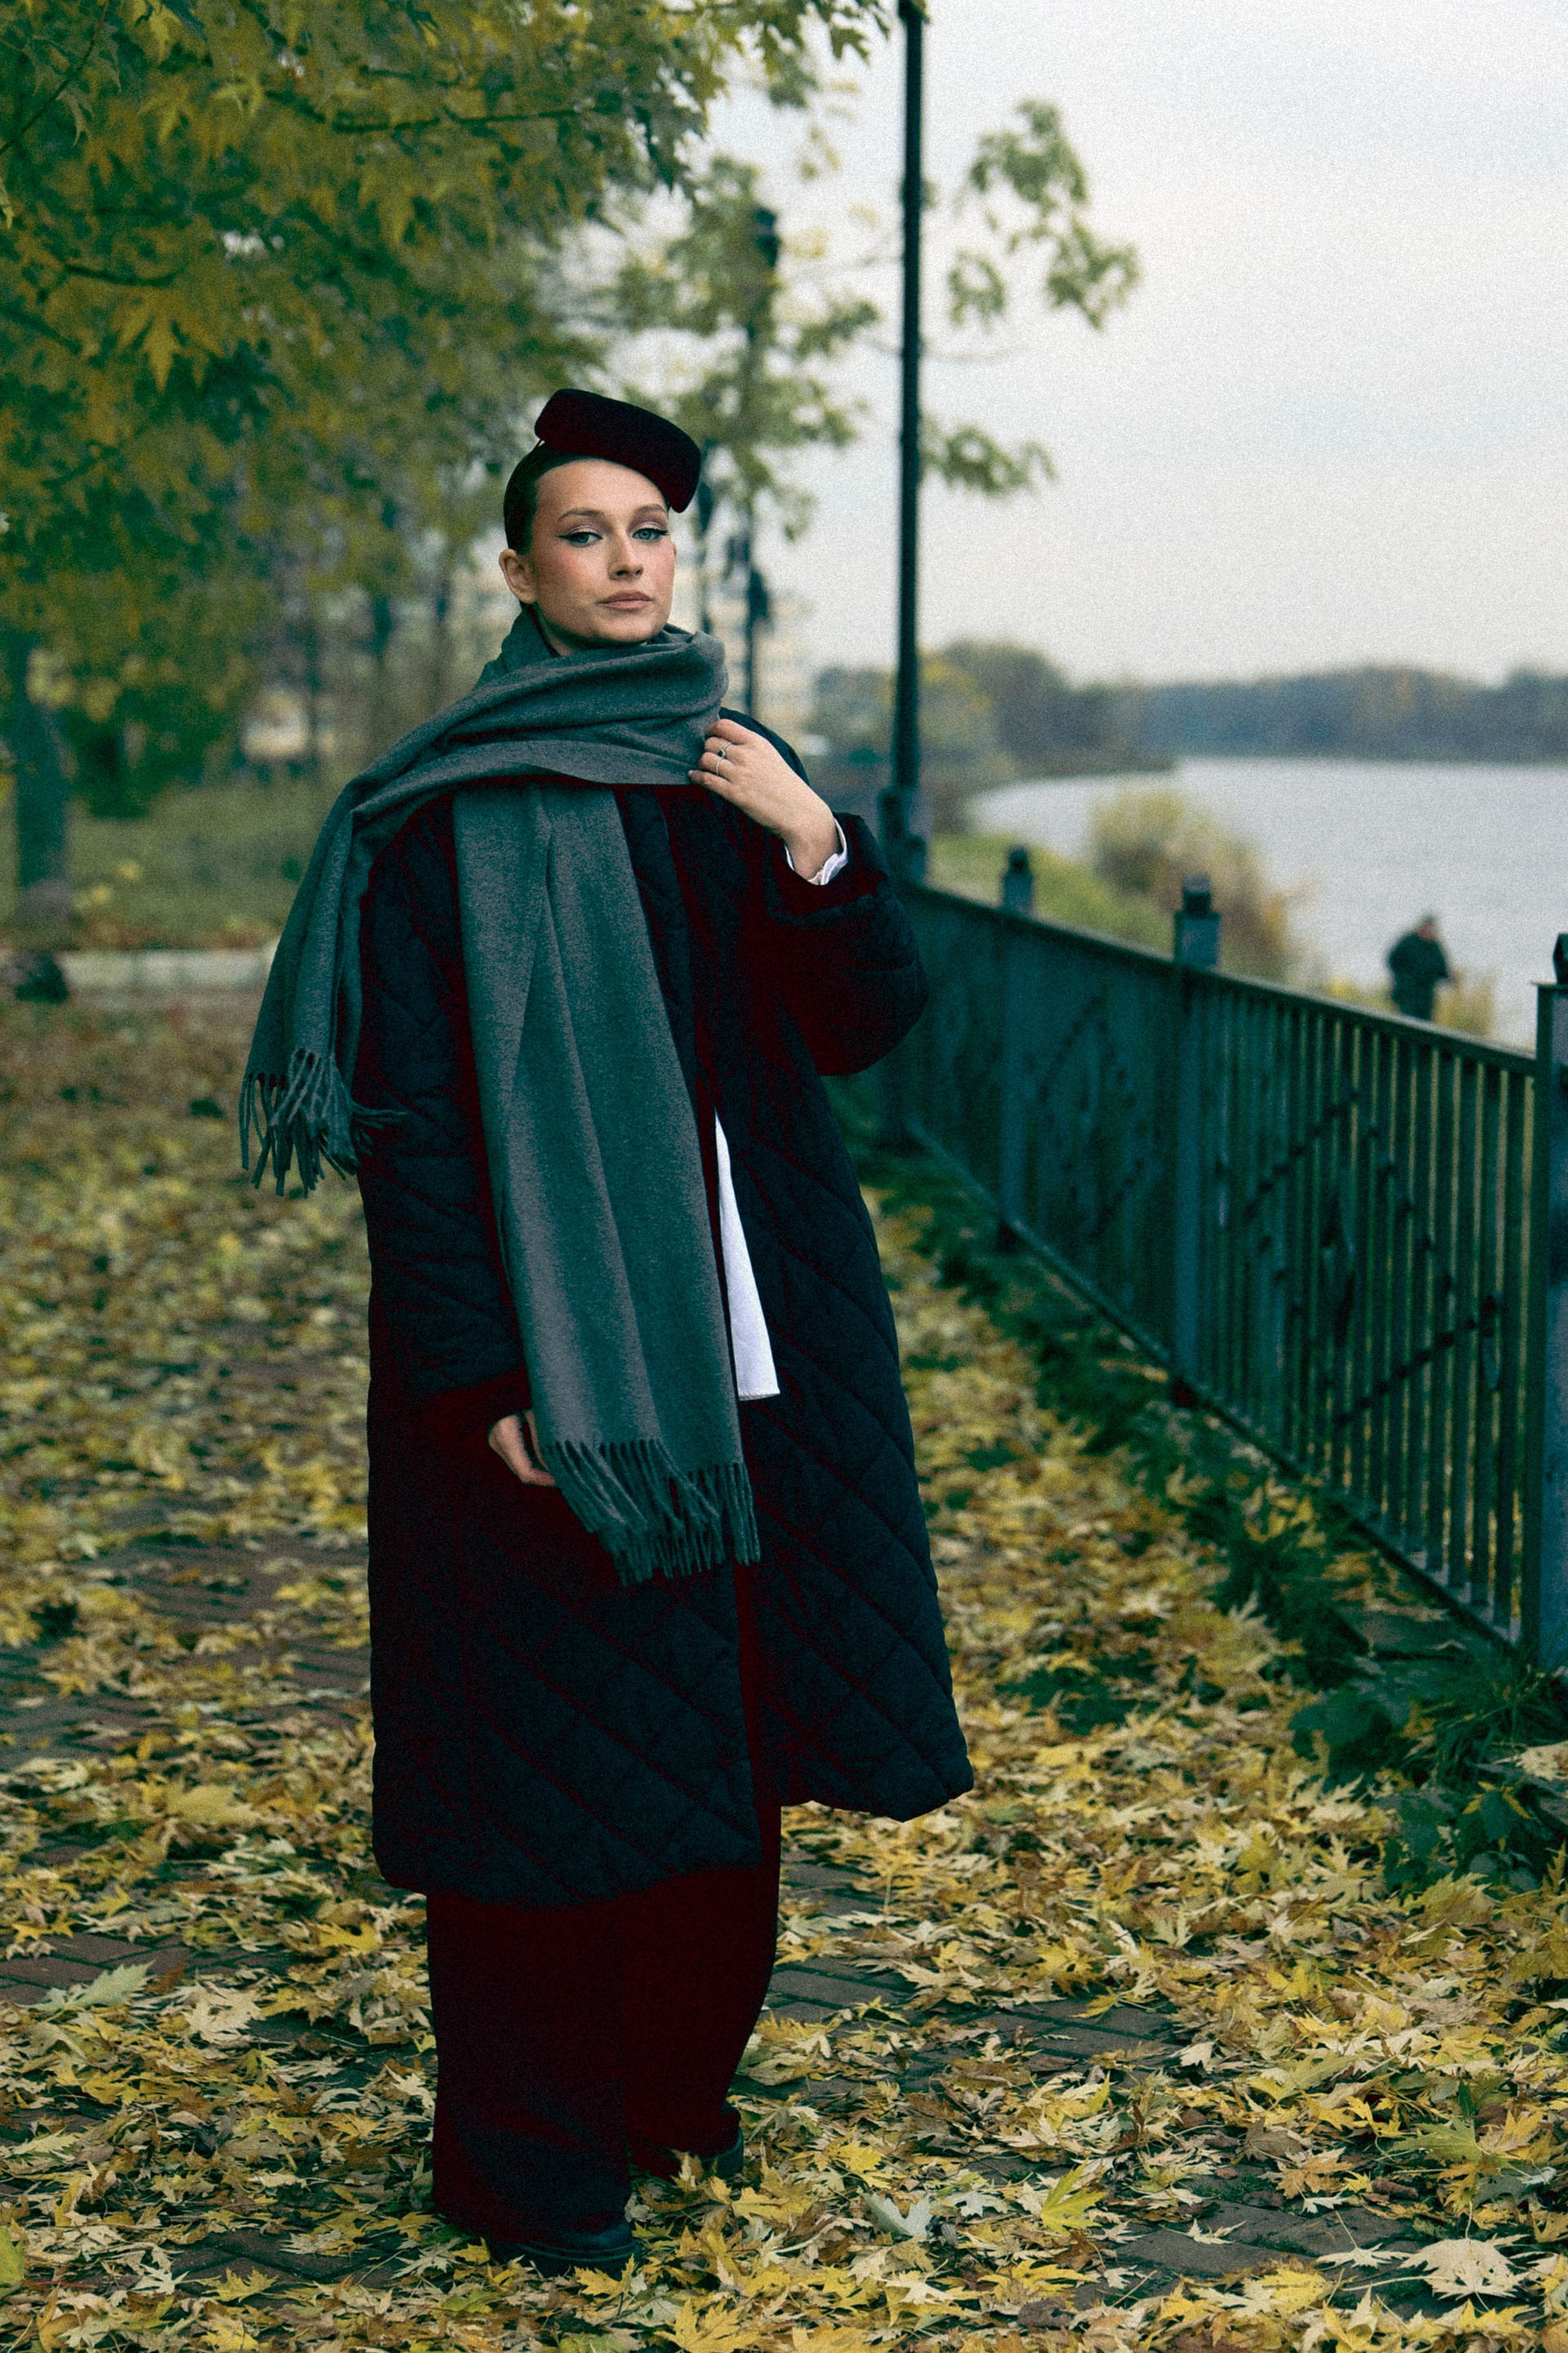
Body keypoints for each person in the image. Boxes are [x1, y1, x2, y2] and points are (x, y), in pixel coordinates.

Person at [241, 389, 972, 2275]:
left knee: (722, 1743)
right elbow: (411, 1122)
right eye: (586, 531)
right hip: (546, 1356)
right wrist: (482, 1373)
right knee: (536, 1769)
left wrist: (817, 844)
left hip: (755, 1348)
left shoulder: (732, 768)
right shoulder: (440, 811)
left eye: (652, 528)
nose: (627, 559)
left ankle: (668, 2095)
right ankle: (528, 2159)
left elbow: (865, 1025)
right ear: (519, 568)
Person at [1388, 915, 1450, 1022]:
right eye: (1426, 928)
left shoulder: (1435, 948)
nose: (1428, 931)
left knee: (1423, 1024)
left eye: (1431, 929)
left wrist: (1451, 977)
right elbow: (1393, 959)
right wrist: (1403, 977)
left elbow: (1442, 970)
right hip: (1406, 994)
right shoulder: (1408, 942)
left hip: (1425, 999)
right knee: (1405, 1022)